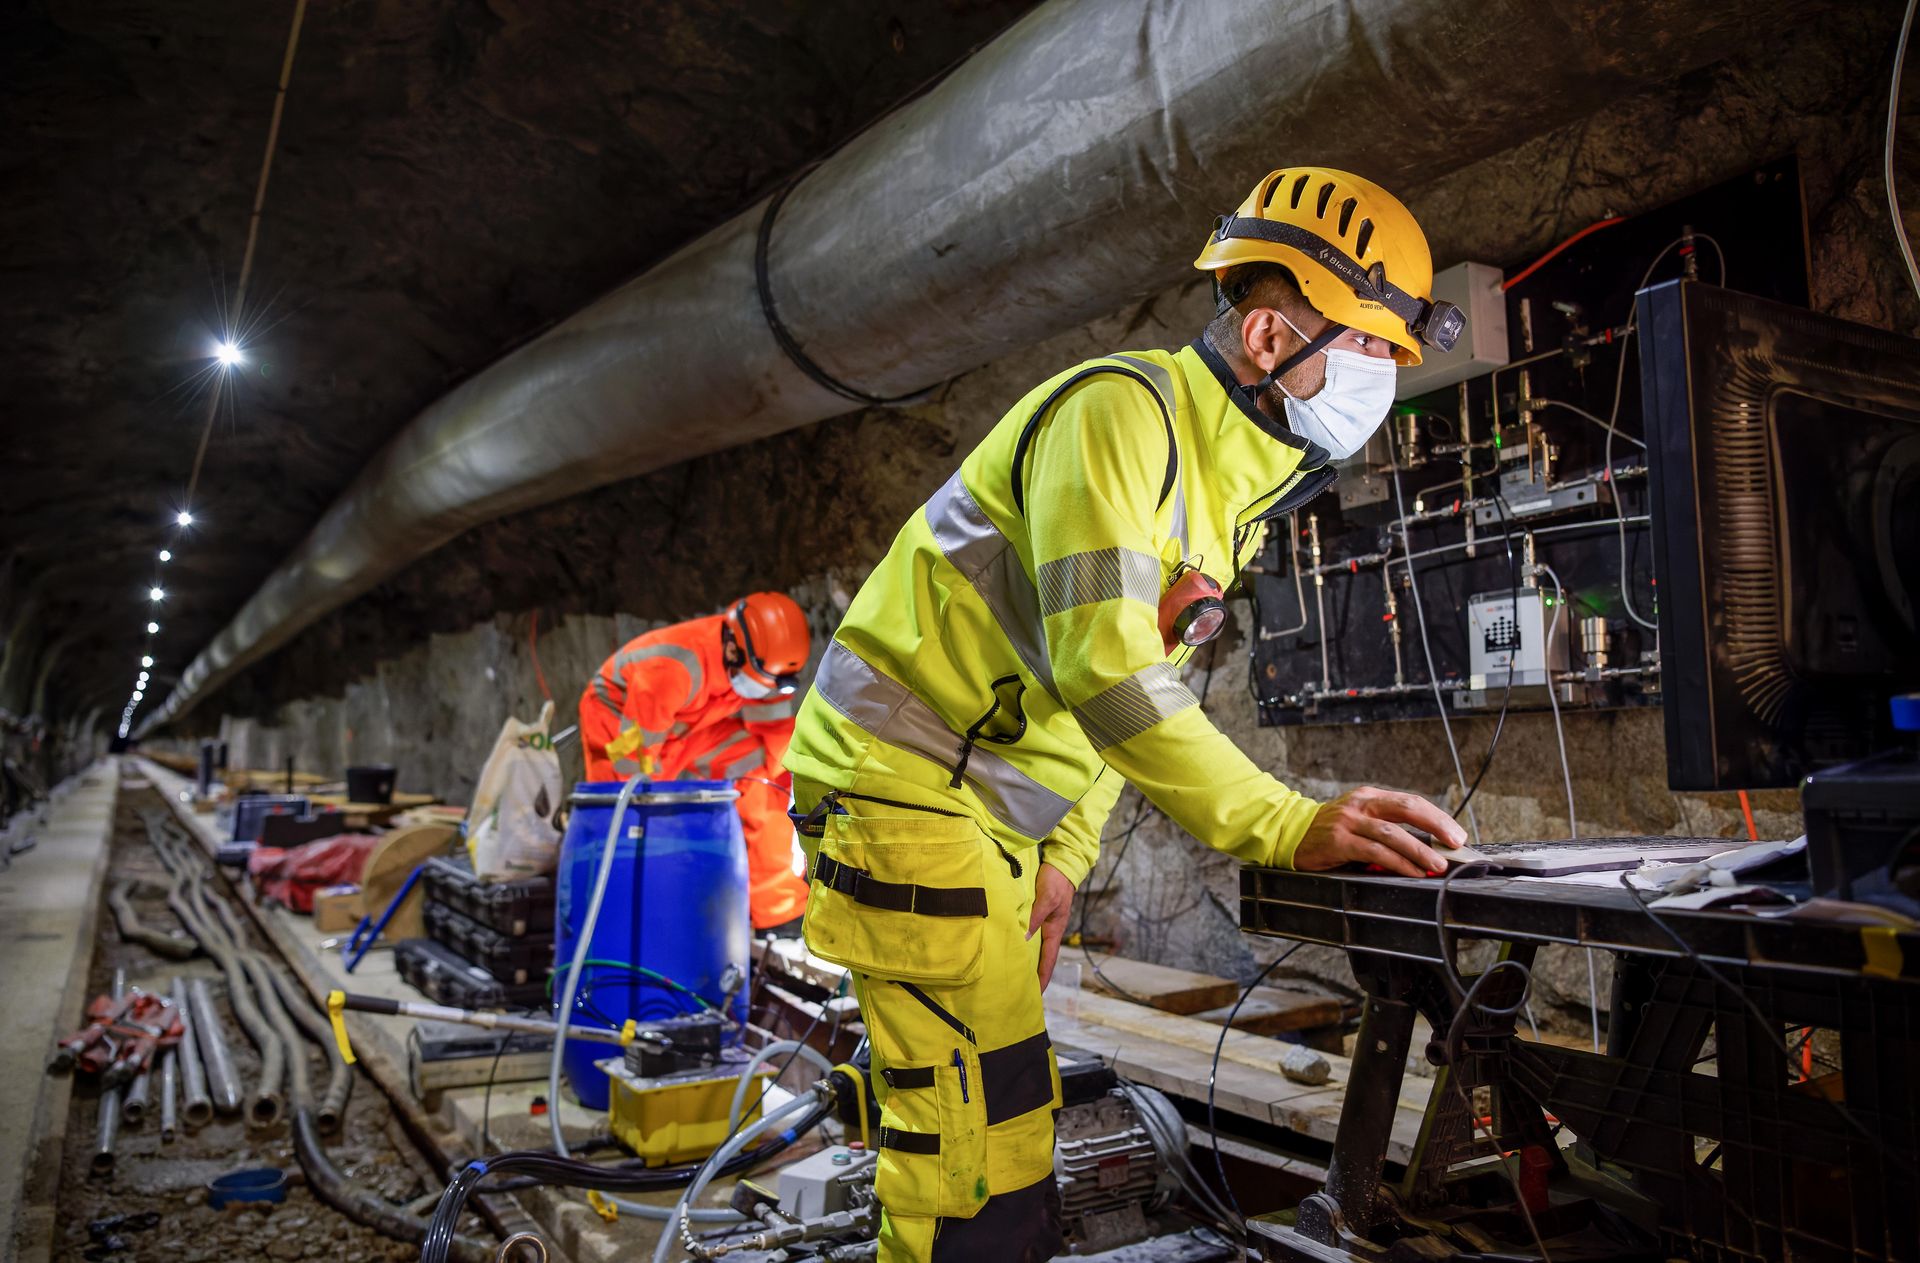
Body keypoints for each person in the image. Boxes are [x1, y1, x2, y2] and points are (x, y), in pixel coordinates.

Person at [782, 166, 1471, 1261]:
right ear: (1268, 335)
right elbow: (1108, 677)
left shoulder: (1226, 489)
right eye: (1369, 346)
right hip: (898, 789)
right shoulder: (1119, 417)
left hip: (972, 812)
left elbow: (1115, 685)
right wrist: (1287, 823)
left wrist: (1063, 853)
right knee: (972, 1151)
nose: (1383, 377)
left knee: (1001, 1118)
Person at [579, 592, 812, 933]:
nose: (767, 688)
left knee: (763, 774)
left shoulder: (765, 667)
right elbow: (635, 758)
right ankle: (620, 917)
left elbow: (773, 730)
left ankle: (778, 909)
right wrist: (645, 802)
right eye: (761, 679)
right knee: (624, 814)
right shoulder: (673, 668)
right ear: (732, 649)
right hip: (622, 724)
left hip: (690, 723)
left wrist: (790, 777)